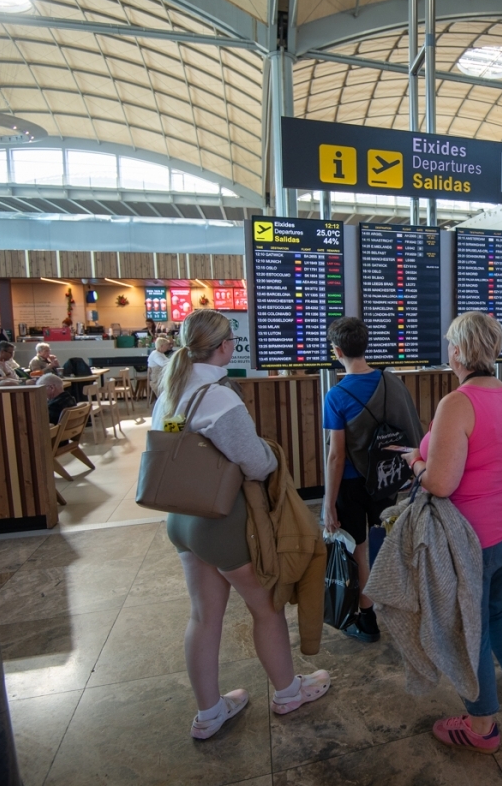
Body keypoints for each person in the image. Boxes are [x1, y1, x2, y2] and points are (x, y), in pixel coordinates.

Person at [152, 309, 330, 738]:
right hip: (222, 524)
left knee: (203, 616)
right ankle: (289, 692)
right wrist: (272, 455)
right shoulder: (217, 396)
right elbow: (254, 462)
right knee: (266, 610)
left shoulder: (170, 391)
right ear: (225, 346)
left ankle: (210, 714)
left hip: (182, 521)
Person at [399, 311, 502, 754]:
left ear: (458, 350)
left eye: (449, 345)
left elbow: (442, 483)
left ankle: (482, 728)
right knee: (497, 608)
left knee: (470, 628)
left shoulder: (457, 402)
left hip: (473, 537)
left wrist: (414, 462)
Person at [322, 317, 422, 643]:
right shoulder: (391, 382)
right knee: (382, 540)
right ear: (366, 346)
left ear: (337, 351)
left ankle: (367, 619)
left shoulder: (336, 396)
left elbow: (336, 456)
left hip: (351, 483)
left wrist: (327, 503)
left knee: (359, 549)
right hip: (385, 477)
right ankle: (396, 606)